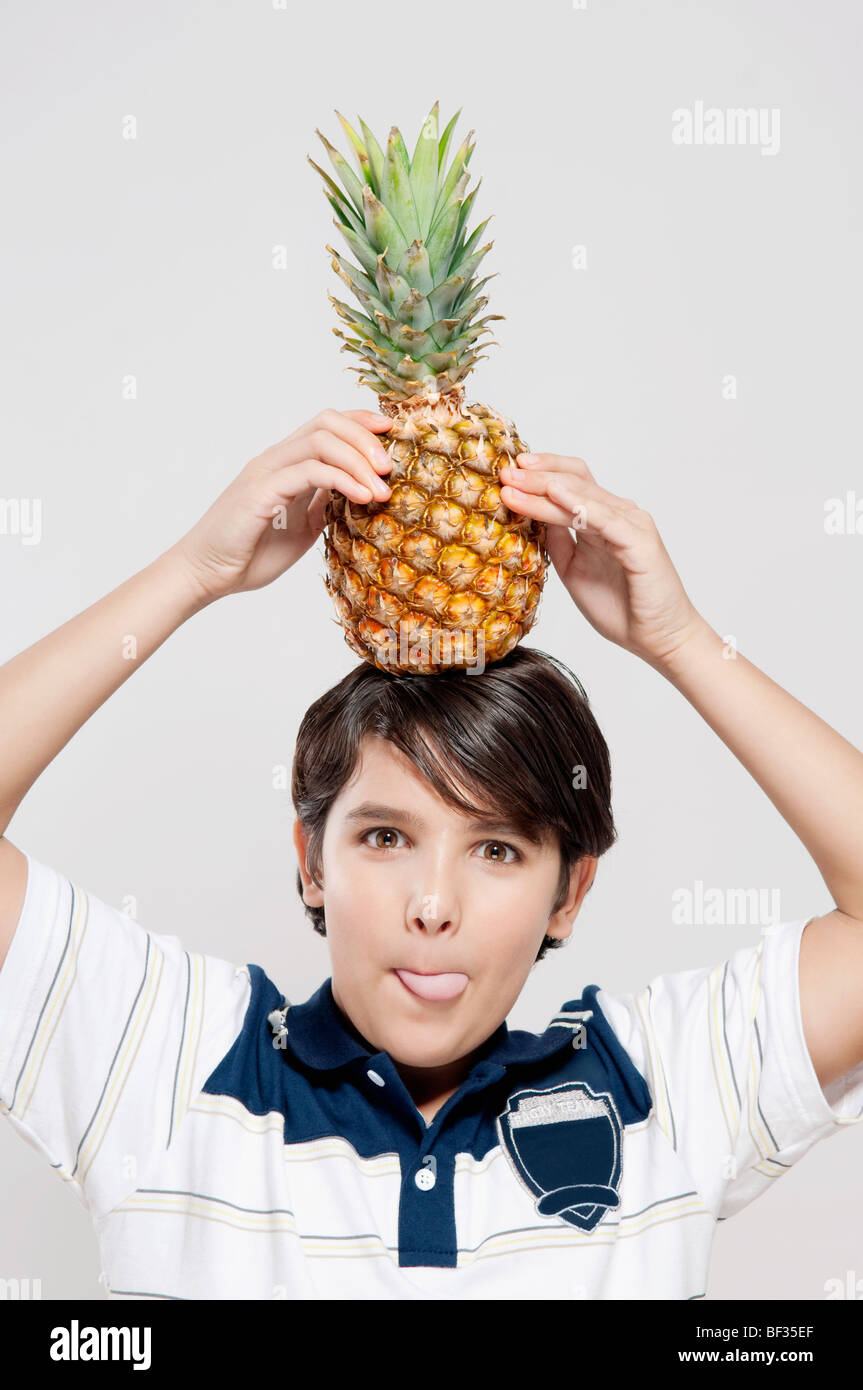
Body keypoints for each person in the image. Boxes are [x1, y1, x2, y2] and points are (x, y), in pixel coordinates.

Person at [1, 408, 861, 1300]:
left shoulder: (662, 1094)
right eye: (384, 838)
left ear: (569, 893)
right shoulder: (169, 1065)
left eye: (496, 850)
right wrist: (192, 574)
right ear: (312, 862)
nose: (433, 905)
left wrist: (679, 641)